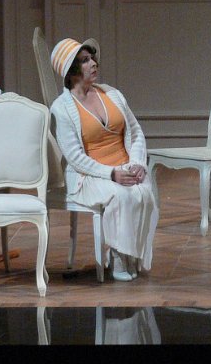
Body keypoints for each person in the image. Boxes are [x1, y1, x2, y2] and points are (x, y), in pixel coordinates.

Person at [50, 37, 159, 282]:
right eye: (85, 61)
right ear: (72, 71)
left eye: (92, 59)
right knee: (121, 195)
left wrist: (137, 163)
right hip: (90, 175)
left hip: (125, 166)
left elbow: (135, 131)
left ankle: (132, 254)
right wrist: (111, 174)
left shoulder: (112, 94)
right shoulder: (62, 108)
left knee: (144, 193)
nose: (93, 64)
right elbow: (75, 157)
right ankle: (118, 254)